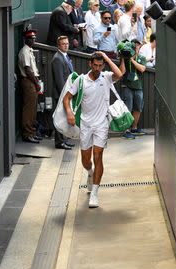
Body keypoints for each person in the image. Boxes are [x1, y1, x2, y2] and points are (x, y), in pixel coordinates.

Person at [63, 52, 125, 208]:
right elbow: (67, 97)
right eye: (95, 65)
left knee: (98, 156)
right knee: (86, 160)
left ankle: (95, 194)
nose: (97, 68)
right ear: (90, 64)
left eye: (100, 65)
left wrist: (106, 57)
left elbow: (119, 74)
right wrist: (70, 113)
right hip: (85, 124)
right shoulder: (81, 81)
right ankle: (90, 173)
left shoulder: (106, 77)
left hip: (101, 125)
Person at [51, 36, 75, 150]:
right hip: (61, 94)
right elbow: (59, 80)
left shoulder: (65, 56)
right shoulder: (57, 58)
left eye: (67, 43)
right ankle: (59, 142)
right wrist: (65, 96)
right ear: (58, 46)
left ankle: (64, 140)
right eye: (63, 44)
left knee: (65, 117)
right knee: (60, 117)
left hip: (66, 94)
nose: (66, 45)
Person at [18, 29, 42, 143]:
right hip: (28, 81)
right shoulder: (24, 51)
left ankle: (32, 131)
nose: (33, 40)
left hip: (32, 81)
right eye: (31, 38)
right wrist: (36, 83)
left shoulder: (30, 50)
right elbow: (27, 69)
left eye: (33, 38)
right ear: (26, 39)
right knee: (29, 109)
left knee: (33, 109)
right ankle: (27, 134)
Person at [121, 39, 147, 139]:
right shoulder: (126, 57)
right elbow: (122, 72)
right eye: (134, 46)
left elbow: (142, 69)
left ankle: (134, 128)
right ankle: (126, 130)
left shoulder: (141, 57)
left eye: (137, 46)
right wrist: (123, 59)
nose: (136, 48)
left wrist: (132, 59)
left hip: (138, 87)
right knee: (128, 108)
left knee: (138, 107)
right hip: (128, 86)